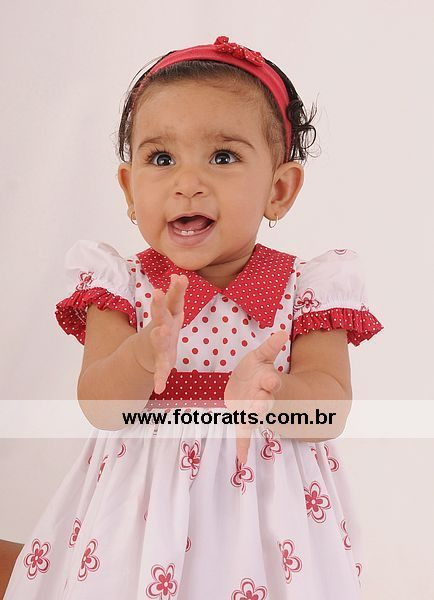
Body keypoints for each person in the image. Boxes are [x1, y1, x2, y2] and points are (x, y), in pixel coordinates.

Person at [5, 35, 384, 599]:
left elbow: (329, 408)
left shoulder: (307, 288)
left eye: (223, 157)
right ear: (129, 188)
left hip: (267, 519)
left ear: (279, 189)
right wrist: (141, 355)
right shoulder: (122, 285)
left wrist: (274, 393)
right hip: (142, 517)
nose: (187, 183)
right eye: (161, 159)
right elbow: (101, 407)